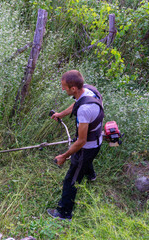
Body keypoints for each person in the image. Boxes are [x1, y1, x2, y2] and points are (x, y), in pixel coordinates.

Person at [48, 70, 104, 220]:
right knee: (85, 163)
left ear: (73, 88)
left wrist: (64, 156)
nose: (62, 89)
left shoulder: (85, 111)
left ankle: (64, 213)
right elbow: (76, 105)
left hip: (87, 148)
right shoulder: (89, 90)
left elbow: (81, 141)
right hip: (97, 142)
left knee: (71, 179)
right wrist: (60, 114)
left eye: (64, 87)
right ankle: (91, 175)